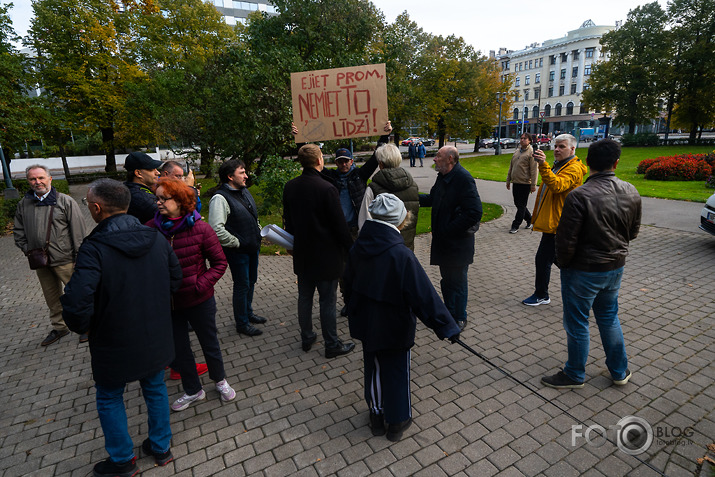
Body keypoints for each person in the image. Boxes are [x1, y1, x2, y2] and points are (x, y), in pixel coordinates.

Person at [60, 179, 182, 477]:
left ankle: (122, 460)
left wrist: (85, 328)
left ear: (96, 208)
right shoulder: (155, 238)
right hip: (154, 334)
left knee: (110, 395)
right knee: (154, 388)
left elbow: (76, 303)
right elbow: (175, 280)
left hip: (113, 339)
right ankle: (161, 446)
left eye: (88, 204)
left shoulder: (94, 248)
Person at [344, 193, 461, 442]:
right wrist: (447, 327)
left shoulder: (358, 246)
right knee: (397, 370)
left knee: (373, 368)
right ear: (399, 219)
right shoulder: (401, 254)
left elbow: (347, 282)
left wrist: (352, 306)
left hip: (366, 322)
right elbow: (424, 296)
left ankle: (376, 416)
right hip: (395, 326)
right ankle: (397, 421)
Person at [542, 139, 641, 389]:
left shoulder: (580, 195)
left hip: (583, 271)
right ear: (616, 163)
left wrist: (564, 264)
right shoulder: (631, 190)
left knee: (578, 323)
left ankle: (575, 373)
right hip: (614, 267)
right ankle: (619, 370)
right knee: (609, 318)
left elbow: (565, 241)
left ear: (587, 161)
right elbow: (633, 232)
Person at [147, 178, 236, 411]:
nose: (158, 203)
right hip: (168, 303)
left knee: (210, 342)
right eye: (156, 198)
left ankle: (220, 381)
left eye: (163, 198)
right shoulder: (150, 229)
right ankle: (193, 390)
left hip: (199, 299)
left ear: (180, 201)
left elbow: (219, 263)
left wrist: (200, 285)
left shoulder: (201, 228)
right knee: (179, 348)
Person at [283, 143, 355, 358]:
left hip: (303, 252)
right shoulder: (327, 188)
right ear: (319, 161)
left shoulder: (290, 186)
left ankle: (307, 336)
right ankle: (332, 344)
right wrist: (351, 249)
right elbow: (339, 225)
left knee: (304, 297)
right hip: (327, 255)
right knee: (327, 300)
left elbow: (289, 221)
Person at [14, 164, 87, 346]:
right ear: (28, 181)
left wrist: (80, 257)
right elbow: (18, 231)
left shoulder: (65, 201)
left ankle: (86, 326)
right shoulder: (24, 204)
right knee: (52, 298)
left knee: (77, 295)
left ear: (50, 179)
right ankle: (60, 327)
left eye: (41, 178)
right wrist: (27, 249)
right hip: (40, 261)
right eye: (32, 179)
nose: (37, 182)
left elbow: (79, 232)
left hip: (66, 260)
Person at [419, 146, 482, 330]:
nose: (434, 159)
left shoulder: (463, 179)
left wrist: (448, 230)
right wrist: (410, 198)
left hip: (458, 243)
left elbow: (474, 212)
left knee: (458, 281)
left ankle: (460, 317)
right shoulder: (443, 177)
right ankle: (449, 312)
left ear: (450, 159)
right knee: (447, 280)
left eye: (438, 156)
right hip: (445, 243)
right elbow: (433, 198)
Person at [522, 134, 587, 306]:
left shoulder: (574, 168)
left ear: (573, 149)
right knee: (557, 259)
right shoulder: (560, 165)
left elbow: (557, 186)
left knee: (544, 259)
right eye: (555, 146)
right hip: (555, 221)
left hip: (561, 223)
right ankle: (584, 284)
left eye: (562, 146)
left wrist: (543, 165)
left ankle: (542, 294)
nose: (557, 149)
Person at [208, 159, 266, 337]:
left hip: (252, 247)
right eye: (242, 173)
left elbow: (252, 215)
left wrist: (257, 232)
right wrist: (237, 242)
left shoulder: (244, 191)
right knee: (242, 285)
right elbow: (216, 229)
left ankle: (248, 313)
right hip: (238, 251)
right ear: (230, 176)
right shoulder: (219, 198)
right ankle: (242, 323)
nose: (246, 176)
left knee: (251, 281)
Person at [357, 143, 419, 250]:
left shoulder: (373, 188)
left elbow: (364, 222)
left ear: (380, 164)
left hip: (381, 250)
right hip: (406, 247)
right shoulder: (413, 186)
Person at [506, 133, 538, 234]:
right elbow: (511, 167)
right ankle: (530, 219)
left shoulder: (531, 153)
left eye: (525, 138)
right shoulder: (516, 152)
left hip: (525, 183)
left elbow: (534, 170)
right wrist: (508, 180)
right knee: (518, 204)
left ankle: (515, 225)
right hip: (516, 182)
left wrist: (533, 184)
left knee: (521, 205)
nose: (522, 140)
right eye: (521, 138)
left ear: (529, 141)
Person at [124, 151, 162, 223]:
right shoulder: (142, 198)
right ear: (138, 173)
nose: (158, 173)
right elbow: (168, 217)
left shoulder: (129, 189)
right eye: (151, 169)